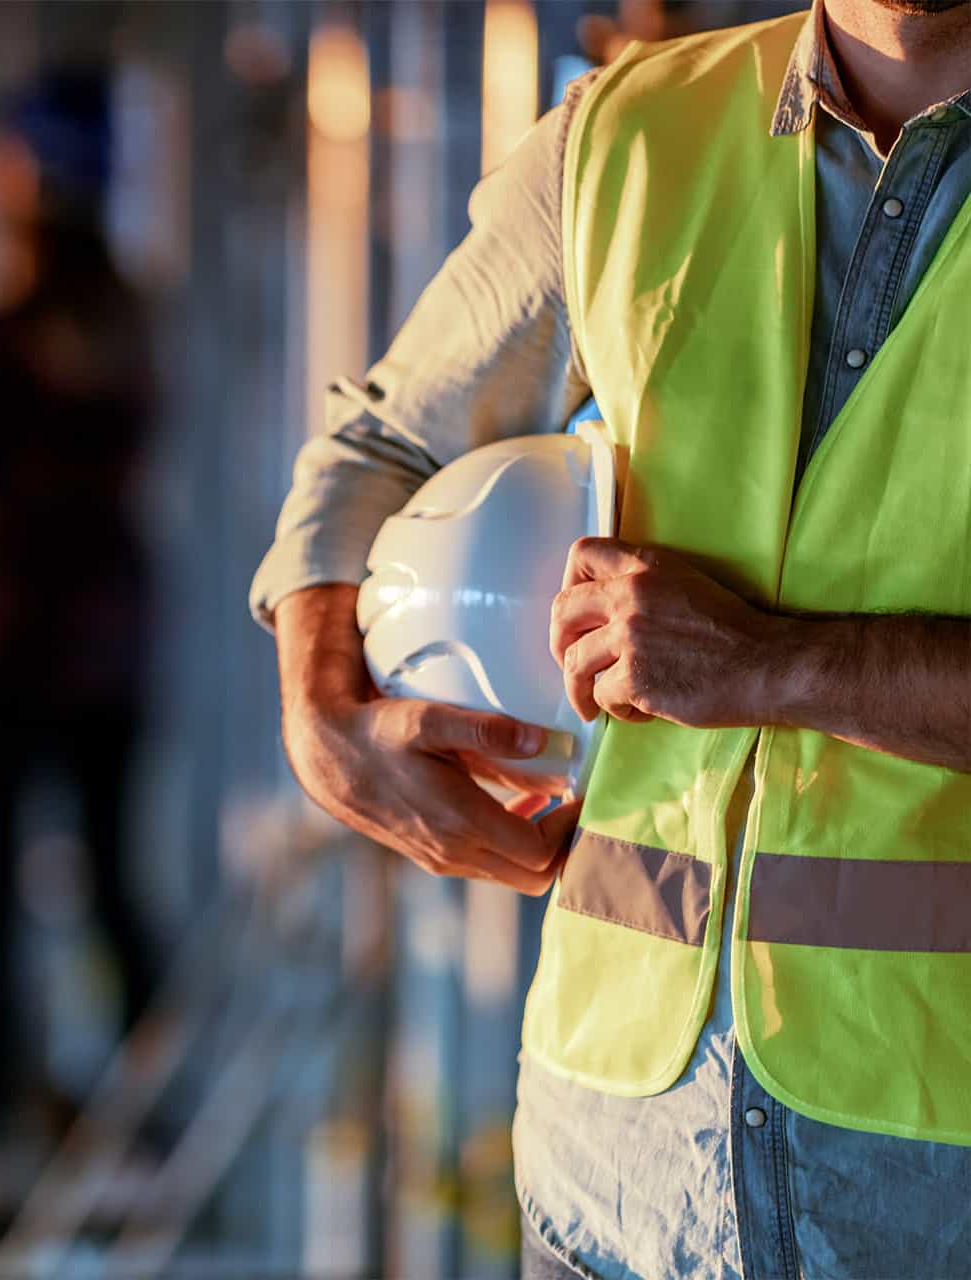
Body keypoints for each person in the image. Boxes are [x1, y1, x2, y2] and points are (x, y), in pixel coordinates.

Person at [254, 3, 971, 1276]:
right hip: (619, 1186)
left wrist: (770, 665)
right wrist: (323, 714)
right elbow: (377, 445)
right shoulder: (625, 136)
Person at [0, 70, 161, 1254]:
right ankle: (144, 1136)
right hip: (113, 640)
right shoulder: (128, 315)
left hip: (19, 640)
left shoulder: (10, 321)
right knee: (111, 888)